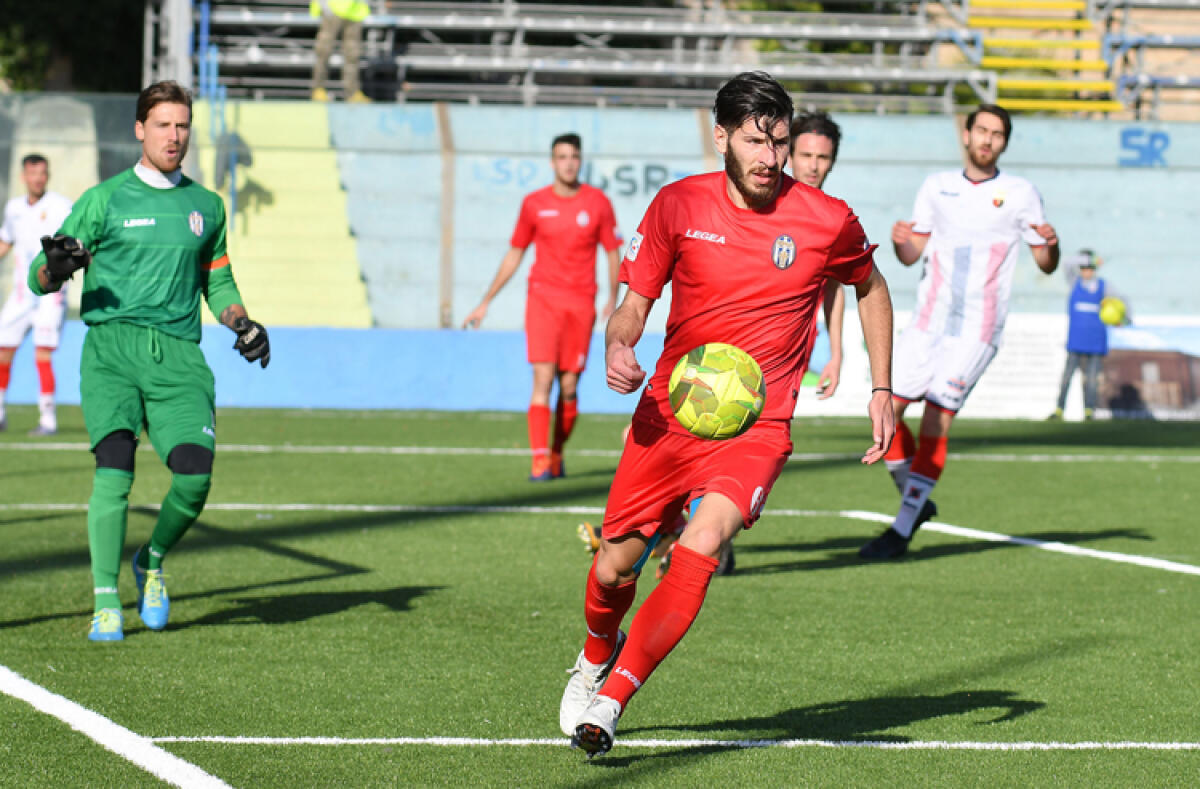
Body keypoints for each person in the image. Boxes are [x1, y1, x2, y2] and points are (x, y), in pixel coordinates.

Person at [559, 71, 896, 757]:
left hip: (758, 425)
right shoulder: (677, 205)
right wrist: (618, 343)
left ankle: (613, 699)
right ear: (721, 137)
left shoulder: (828, 220)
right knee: (612, 568)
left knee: (704, 542)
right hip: (669, 414)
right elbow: (632, 302)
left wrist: (881, 386)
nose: (769, 158)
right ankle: (597, 653)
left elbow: (872, 286)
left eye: (778, 141)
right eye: (754, 141)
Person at [28, 81, 271, 642]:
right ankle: (106, 601)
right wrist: (57, 268)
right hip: (111, 350)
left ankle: (152, 559)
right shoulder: (103, 199)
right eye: (163, 125)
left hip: (179, 356)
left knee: (194, 476)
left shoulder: (206, 207)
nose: (174, 136)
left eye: (182, 125)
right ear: (140, 130)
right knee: (114, 471)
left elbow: (220, 280)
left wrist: (243, 323)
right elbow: (39, 277)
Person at [858, 103, 1059, 560]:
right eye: (981, 130)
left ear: (1004, 143)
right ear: (966, 135)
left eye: (998, 134)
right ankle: (916, 496)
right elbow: (911, 255)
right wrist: (898, 240)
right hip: (927, 323)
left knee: (936, 417)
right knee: (886, 409)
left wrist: (1052, 245)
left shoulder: (1020, 192)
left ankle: (902, 528)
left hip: (977, 327)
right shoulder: (937, 187)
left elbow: (1045, 263)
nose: (988, 140)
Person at [463, 133, 622, 481]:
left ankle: (555, 453)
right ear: (552, 162)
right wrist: (485, 302)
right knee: (543, 377)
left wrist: (614, 298)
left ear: (580, 161)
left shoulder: (598, 203)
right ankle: (538, 460)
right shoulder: (534, 203)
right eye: (562, 156)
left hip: (581, 304)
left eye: (574, 156)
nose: (568, 162)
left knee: (568, 387)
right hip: (543, 301)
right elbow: (515, 252)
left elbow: (612, 252)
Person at [0, 154, 73, 435]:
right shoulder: (14, 208)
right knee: (4, 350)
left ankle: (48, 420)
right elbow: (6, 242)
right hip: (20, 295)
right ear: (24, 177)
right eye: (33, 173)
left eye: (42, 173)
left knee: (42, 353)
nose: (38, 178)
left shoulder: (61, 207)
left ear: (48, 175)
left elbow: (75, 241)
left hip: (49, 295)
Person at [790, 110, 847, 399]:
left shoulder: (835, 222)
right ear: (789, 156)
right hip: (741, 338)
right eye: (805, 155)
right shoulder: (759, 207)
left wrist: (835, 355)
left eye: (822, 158)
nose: (813, 166)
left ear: (832, 163)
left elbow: (835, 288)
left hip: (795, 348)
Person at [1049, 249, 1127, 421]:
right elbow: (1067, 264)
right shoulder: (1074, 282)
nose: (1087, 271)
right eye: (1084, 267)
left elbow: (1120, 301)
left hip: (1096, 340)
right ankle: (1059, 409)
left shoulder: (1103, 286)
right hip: (1076, 340)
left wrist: (1123, 317)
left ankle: (1089, 411)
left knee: (1092, 379)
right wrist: (1088, 257)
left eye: (1090, 267)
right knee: (1067, 377)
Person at [310, 0, 370, 103]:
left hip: (354, 11)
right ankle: (318, 88)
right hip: (332, 8)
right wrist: (325, 6)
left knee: (353, 55)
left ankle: (352, 92)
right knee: (324, 52)